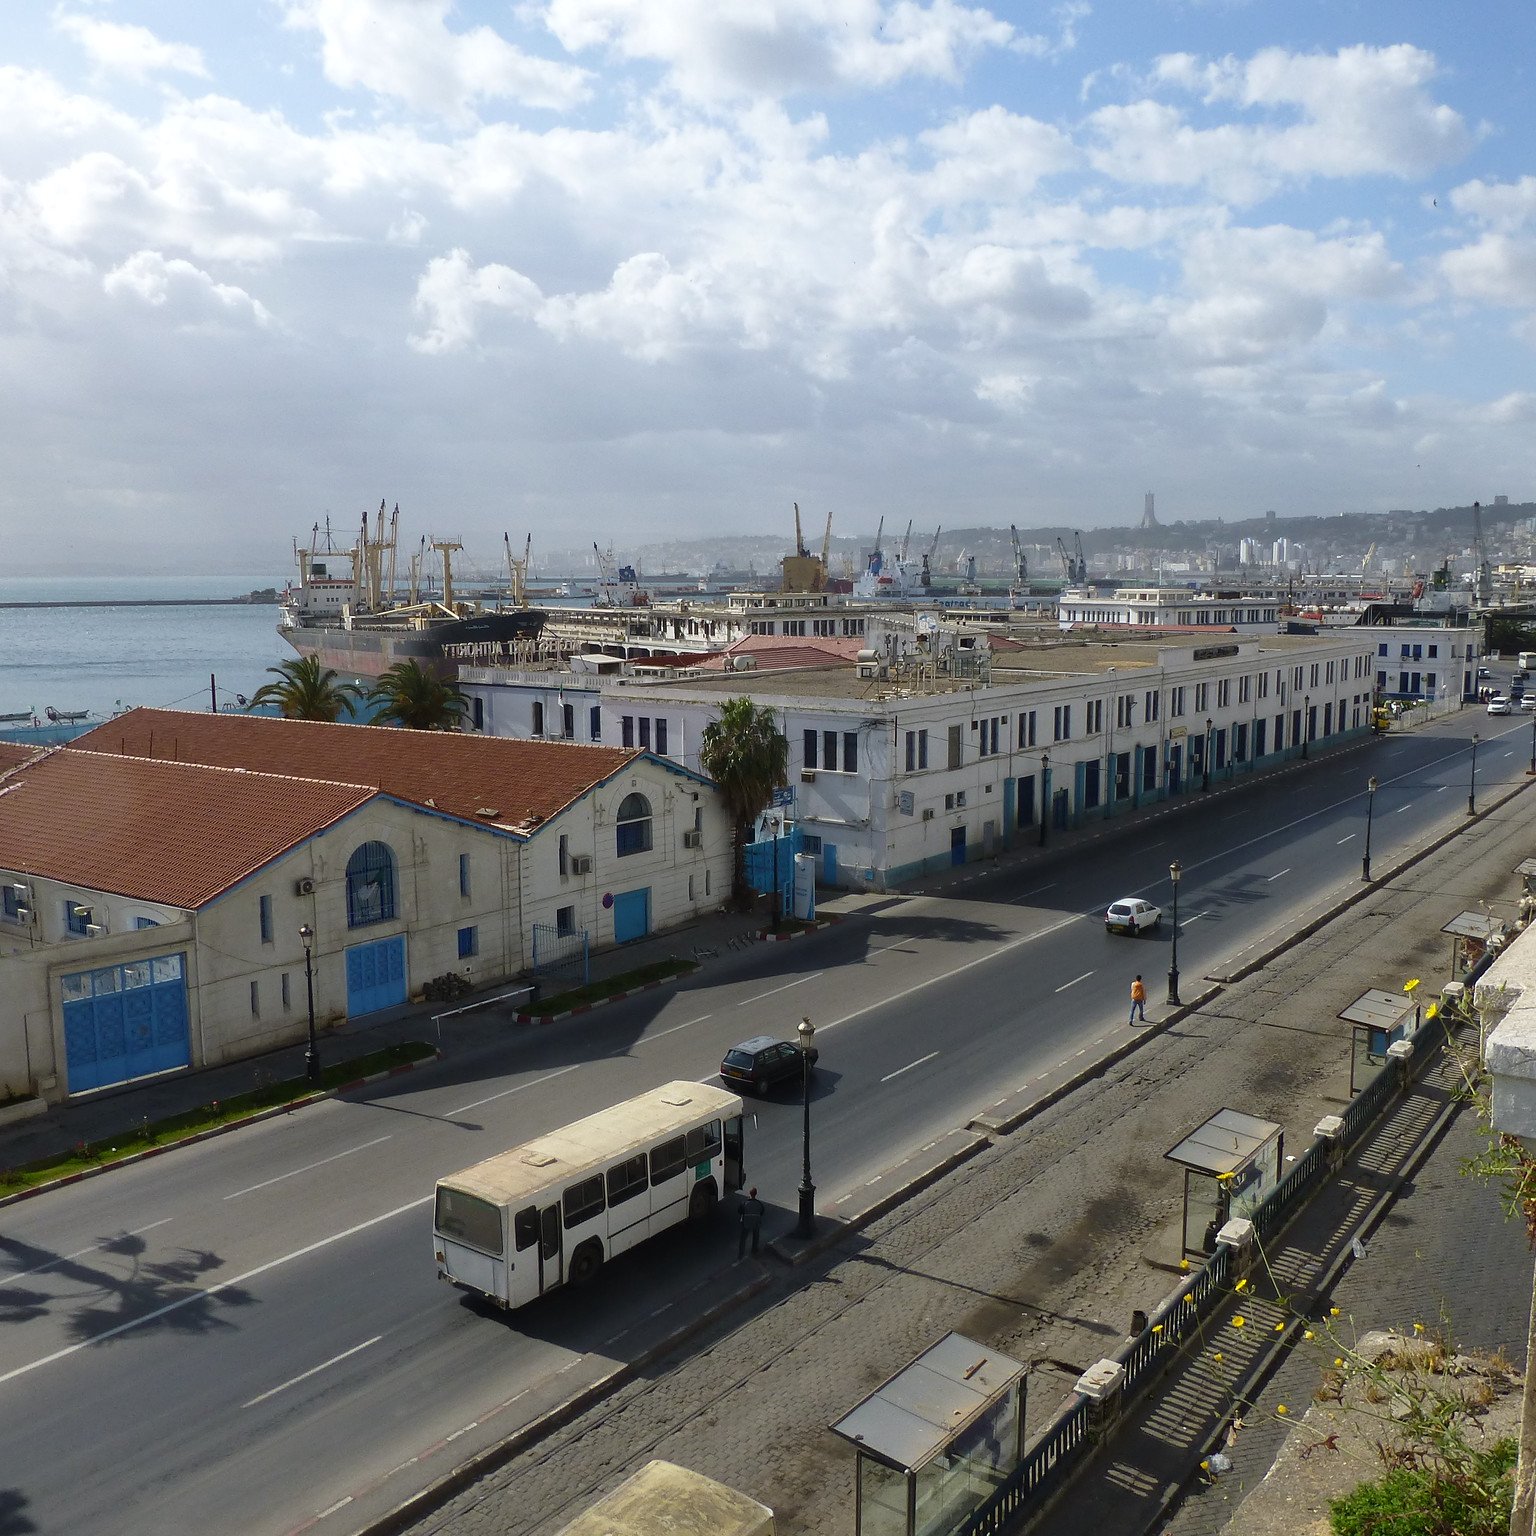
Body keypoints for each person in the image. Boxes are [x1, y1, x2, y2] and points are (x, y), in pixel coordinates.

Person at [737, 1186, 766, 1259]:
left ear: (749, 1194)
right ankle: (754, 1249)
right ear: (756, 1194)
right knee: (756, 1235)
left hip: (746, 1222)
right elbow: (762, 1212)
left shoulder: (744, 1203)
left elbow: (740, 1211)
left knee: (743, 1238)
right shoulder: (759, 1204)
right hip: (756, 1222)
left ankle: (741, 1254)